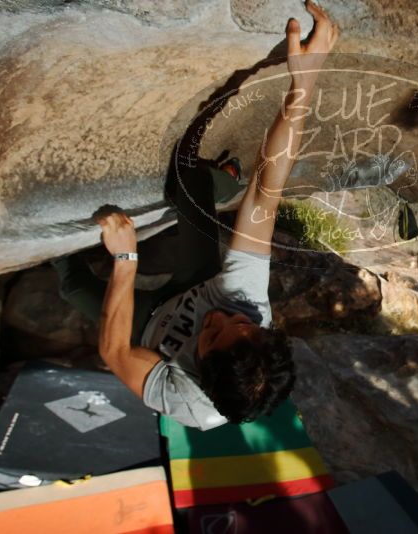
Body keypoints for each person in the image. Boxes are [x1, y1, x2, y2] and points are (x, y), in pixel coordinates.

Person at [54, 0, 339, 430]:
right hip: (195, 281)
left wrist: (126, 261)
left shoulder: (186, 399)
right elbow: (265, 196)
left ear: (199, 373)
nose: (220, 317)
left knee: (73, 283)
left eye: (210, 335)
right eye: (238, 322)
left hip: (145, 332)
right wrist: (305, 83)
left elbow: (115, 353)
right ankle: (220, 182)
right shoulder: (247, 304)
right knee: (189, 181)